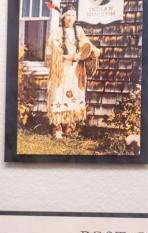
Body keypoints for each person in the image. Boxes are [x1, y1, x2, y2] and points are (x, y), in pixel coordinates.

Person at [46, 4, 100, 139]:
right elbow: (54, 50)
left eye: (73, 15)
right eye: (68, 15)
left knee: (75, 93)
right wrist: (69, 56)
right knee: (58, 93)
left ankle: (71, 126)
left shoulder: (78, 30)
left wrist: (94, 50)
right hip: (61, 69)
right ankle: (57, 126)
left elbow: (85, 44)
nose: (70, 18)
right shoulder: (57, 31)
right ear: (63, 16)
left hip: (75, 69)